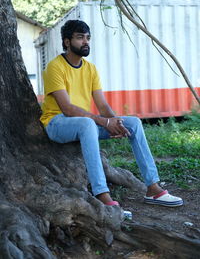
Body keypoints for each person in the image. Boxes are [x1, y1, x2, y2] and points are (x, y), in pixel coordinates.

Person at [40, 20, 183, 208]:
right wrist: (104, 122)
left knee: (133, 123)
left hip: (84, 125)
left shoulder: (90, 69)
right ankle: (102, 194)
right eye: (80, 37)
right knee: (88, 123)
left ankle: (153, 188)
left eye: (88, 38)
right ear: (67, 42)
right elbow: (67, 108)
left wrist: (116, 122)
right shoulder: (55, 67)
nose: (85, 42)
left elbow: (102, 105)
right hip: (57, 124)